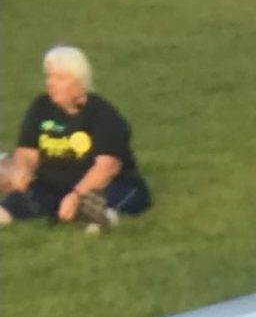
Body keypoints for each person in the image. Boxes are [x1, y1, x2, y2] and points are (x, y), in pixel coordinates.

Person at [0, 44, 150, 229]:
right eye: (49, 76)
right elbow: (27, 151)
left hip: (102, 186)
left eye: (60, 78)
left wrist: (77, 195)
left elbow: (107, 166)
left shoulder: (103, 114)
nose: (51, 83)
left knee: (101, 204)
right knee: (7, 210)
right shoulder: (41, 107)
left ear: (80, 82)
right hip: (50, 187)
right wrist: (22, 170)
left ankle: (100, 217)